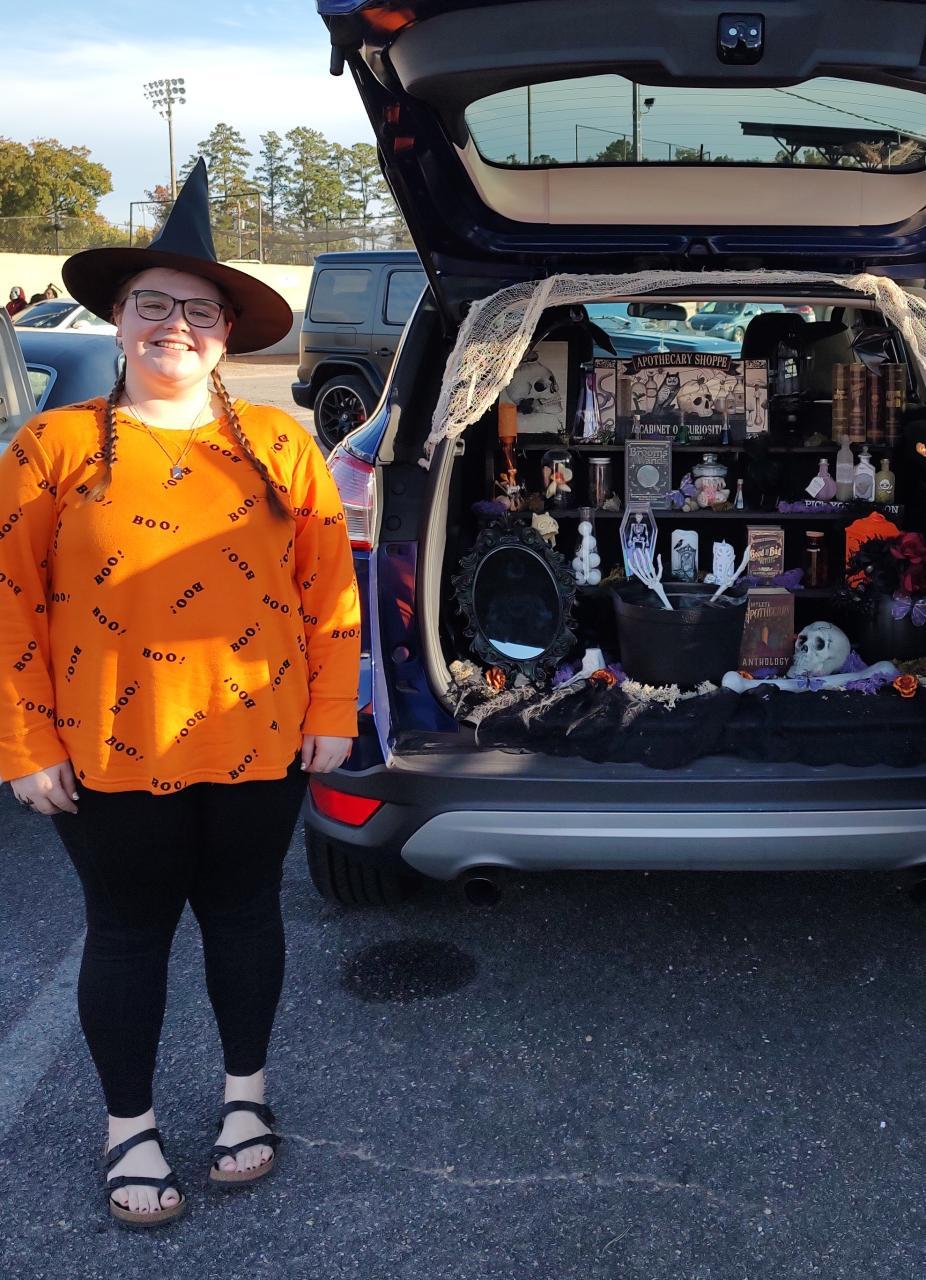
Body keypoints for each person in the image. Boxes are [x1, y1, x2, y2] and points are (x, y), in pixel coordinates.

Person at [0, 159, 360, 1228]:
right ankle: (130, 1126)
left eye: (199, 311)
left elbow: (329, 593)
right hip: (108, 749)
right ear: (117, 319)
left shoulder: (282, 447)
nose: (175, 326)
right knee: (127, 933)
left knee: (244, 916)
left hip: (261, 739)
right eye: (152, 304)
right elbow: (10, 600)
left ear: (226, 335)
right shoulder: (54, 446)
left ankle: (246, 1096)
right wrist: (23, 743)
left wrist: (333, 713)